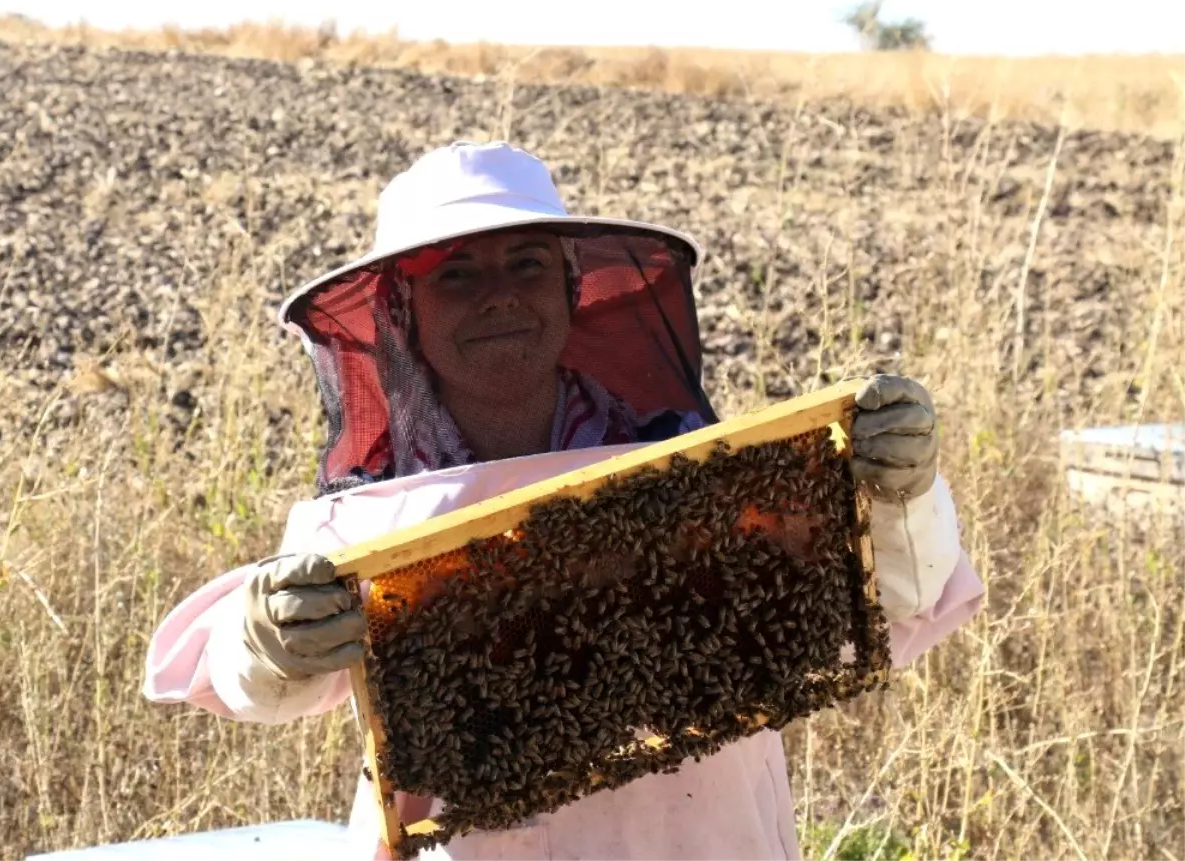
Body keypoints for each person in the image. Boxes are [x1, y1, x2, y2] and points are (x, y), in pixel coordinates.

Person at [143, 141, 984, 861]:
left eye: (526, 262)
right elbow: (259, 683)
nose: (498, 293)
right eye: (456, 273)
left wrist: (901, 493)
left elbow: (899, 599)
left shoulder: (691, 471)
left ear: (571, 287)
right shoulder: (369, 514)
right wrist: (266, 637)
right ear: (404, 312)